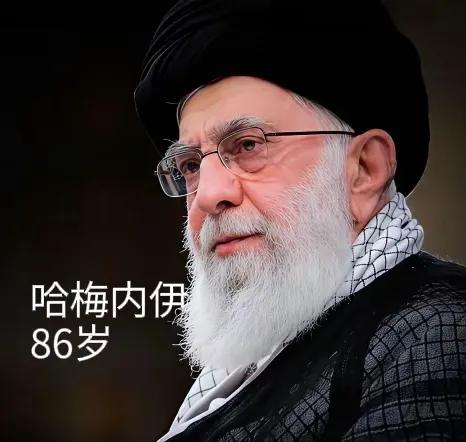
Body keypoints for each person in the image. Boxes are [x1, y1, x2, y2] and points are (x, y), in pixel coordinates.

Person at [134, 0, 466, 440]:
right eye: (191, 166)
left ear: (364, 169)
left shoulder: (436, 335)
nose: (209, 195)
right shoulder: (241, 370)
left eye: (248, 145)